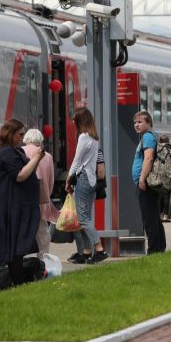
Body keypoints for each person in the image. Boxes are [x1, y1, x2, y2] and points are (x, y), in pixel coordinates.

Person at [0, 119, 42, 287]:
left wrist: (36, 160)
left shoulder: (14, 152)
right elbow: (20, 175)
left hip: (17, 208)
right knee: (15, 248)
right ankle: (17, 282)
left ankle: (18, 282)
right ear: (11, 134)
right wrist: (36, 157)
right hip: (10, 209)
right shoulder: (7, 153)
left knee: (17, 249)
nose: (23, 138)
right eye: (20, 134)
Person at [66, 107, 107, 264]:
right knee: (86, 217)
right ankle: (86, 251)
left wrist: (68, 179)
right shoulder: (94, 138)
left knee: (82, 218)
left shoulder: (83, 137)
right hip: (91, 181)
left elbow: (77, 161)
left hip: (82, 179)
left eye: (75, 121)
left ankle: (99, 249)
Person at [132, 110, 166, 254]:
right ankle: (159, 247)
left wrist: (141, 179)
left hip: (146, 182)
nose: (136, 125)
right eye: (135, 122)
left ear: (148, 123)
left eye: (140, 122)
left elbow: (149, 158)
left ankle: (153, 250)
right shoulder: (151, 136)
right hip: (148, 182)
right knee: (153, 216)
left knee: (149, 218)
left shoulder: (147, 137)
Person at [22, 129, 59, 258]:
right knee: (42, 233)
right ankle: (43, 260)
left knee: (23, 229)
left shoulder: (20, 152)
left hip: (23, 199)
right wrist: (47, 195)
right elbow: (50, 180)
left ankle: (21, 260)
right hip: (41, 199)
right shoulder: (47, 156)